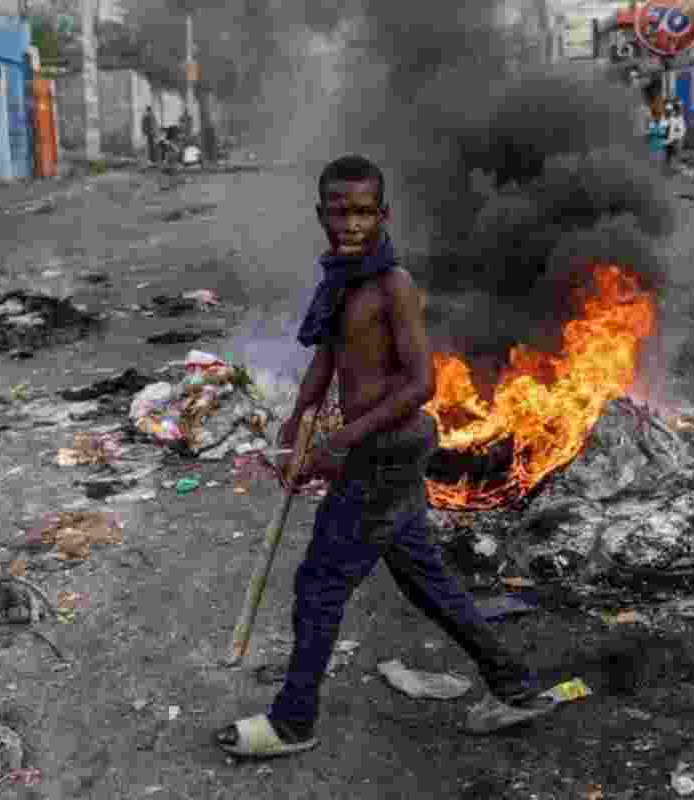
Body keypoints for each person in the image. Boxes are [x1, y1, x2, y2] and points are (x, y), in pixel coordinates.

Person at [214, 155, 558, 760]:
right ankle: (516, 686)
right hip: (379, 452)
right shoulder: (341, 279)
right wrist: (296, 422)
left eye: (363, 212)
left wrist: (336, 443)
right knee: (424, 579)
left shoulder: (391, 284)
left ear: (383, 215)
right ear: (321, 214)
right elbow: (326, 359)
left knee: (319, 584)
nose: (350, 223)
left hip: (384, 454)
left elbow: (421, 384)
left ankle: (294, 721)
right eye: (339, 211)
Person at [665, 100, 687, 171]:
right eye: (681, 107)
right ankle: (672, 166)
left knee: (676, 152)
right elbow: (673, 128)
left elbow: (681, 127)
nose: (682, 109)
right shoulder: (674, 117)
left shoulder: (679, 116)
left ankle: (673, 165)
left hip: (677, 137)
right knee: (674, 152)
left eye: (682, 107)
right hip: (675, 138)